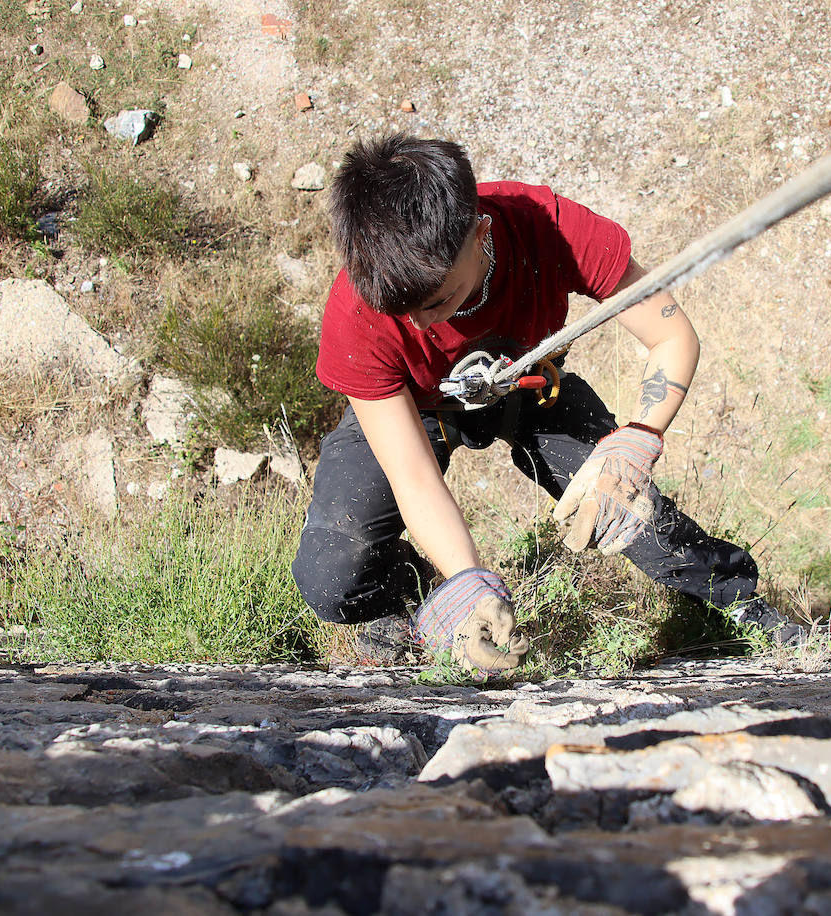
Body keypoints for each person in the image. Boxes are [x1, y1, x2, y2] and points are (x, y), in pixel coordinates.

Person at [292, 134, 802, 672]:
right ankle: (421, 610)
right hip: (418, 409)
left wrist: (636, 443)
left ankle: (740, 607)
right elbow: (414, 479)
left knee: (631, 512)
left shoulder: (548, 227)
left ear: (480, 235)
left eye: (437, 302)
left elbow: (672, 337)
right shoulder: (357, 312)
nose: (418, 324)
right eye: (401, 310)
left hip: (533, 386)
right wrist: (469, 584)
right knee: (331, 574)